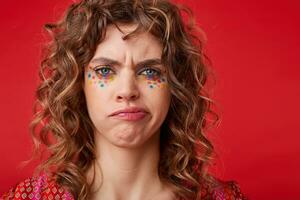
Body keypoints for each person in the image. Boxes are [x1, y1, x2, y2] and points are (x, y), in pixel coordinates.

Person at [1, 0, 247, 199]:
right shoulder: (31, 197)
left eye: (150, 71)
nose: (127, 90)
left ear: (175, 86)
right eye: (105, 71)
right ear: (78, 85)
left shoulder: (222, 197)